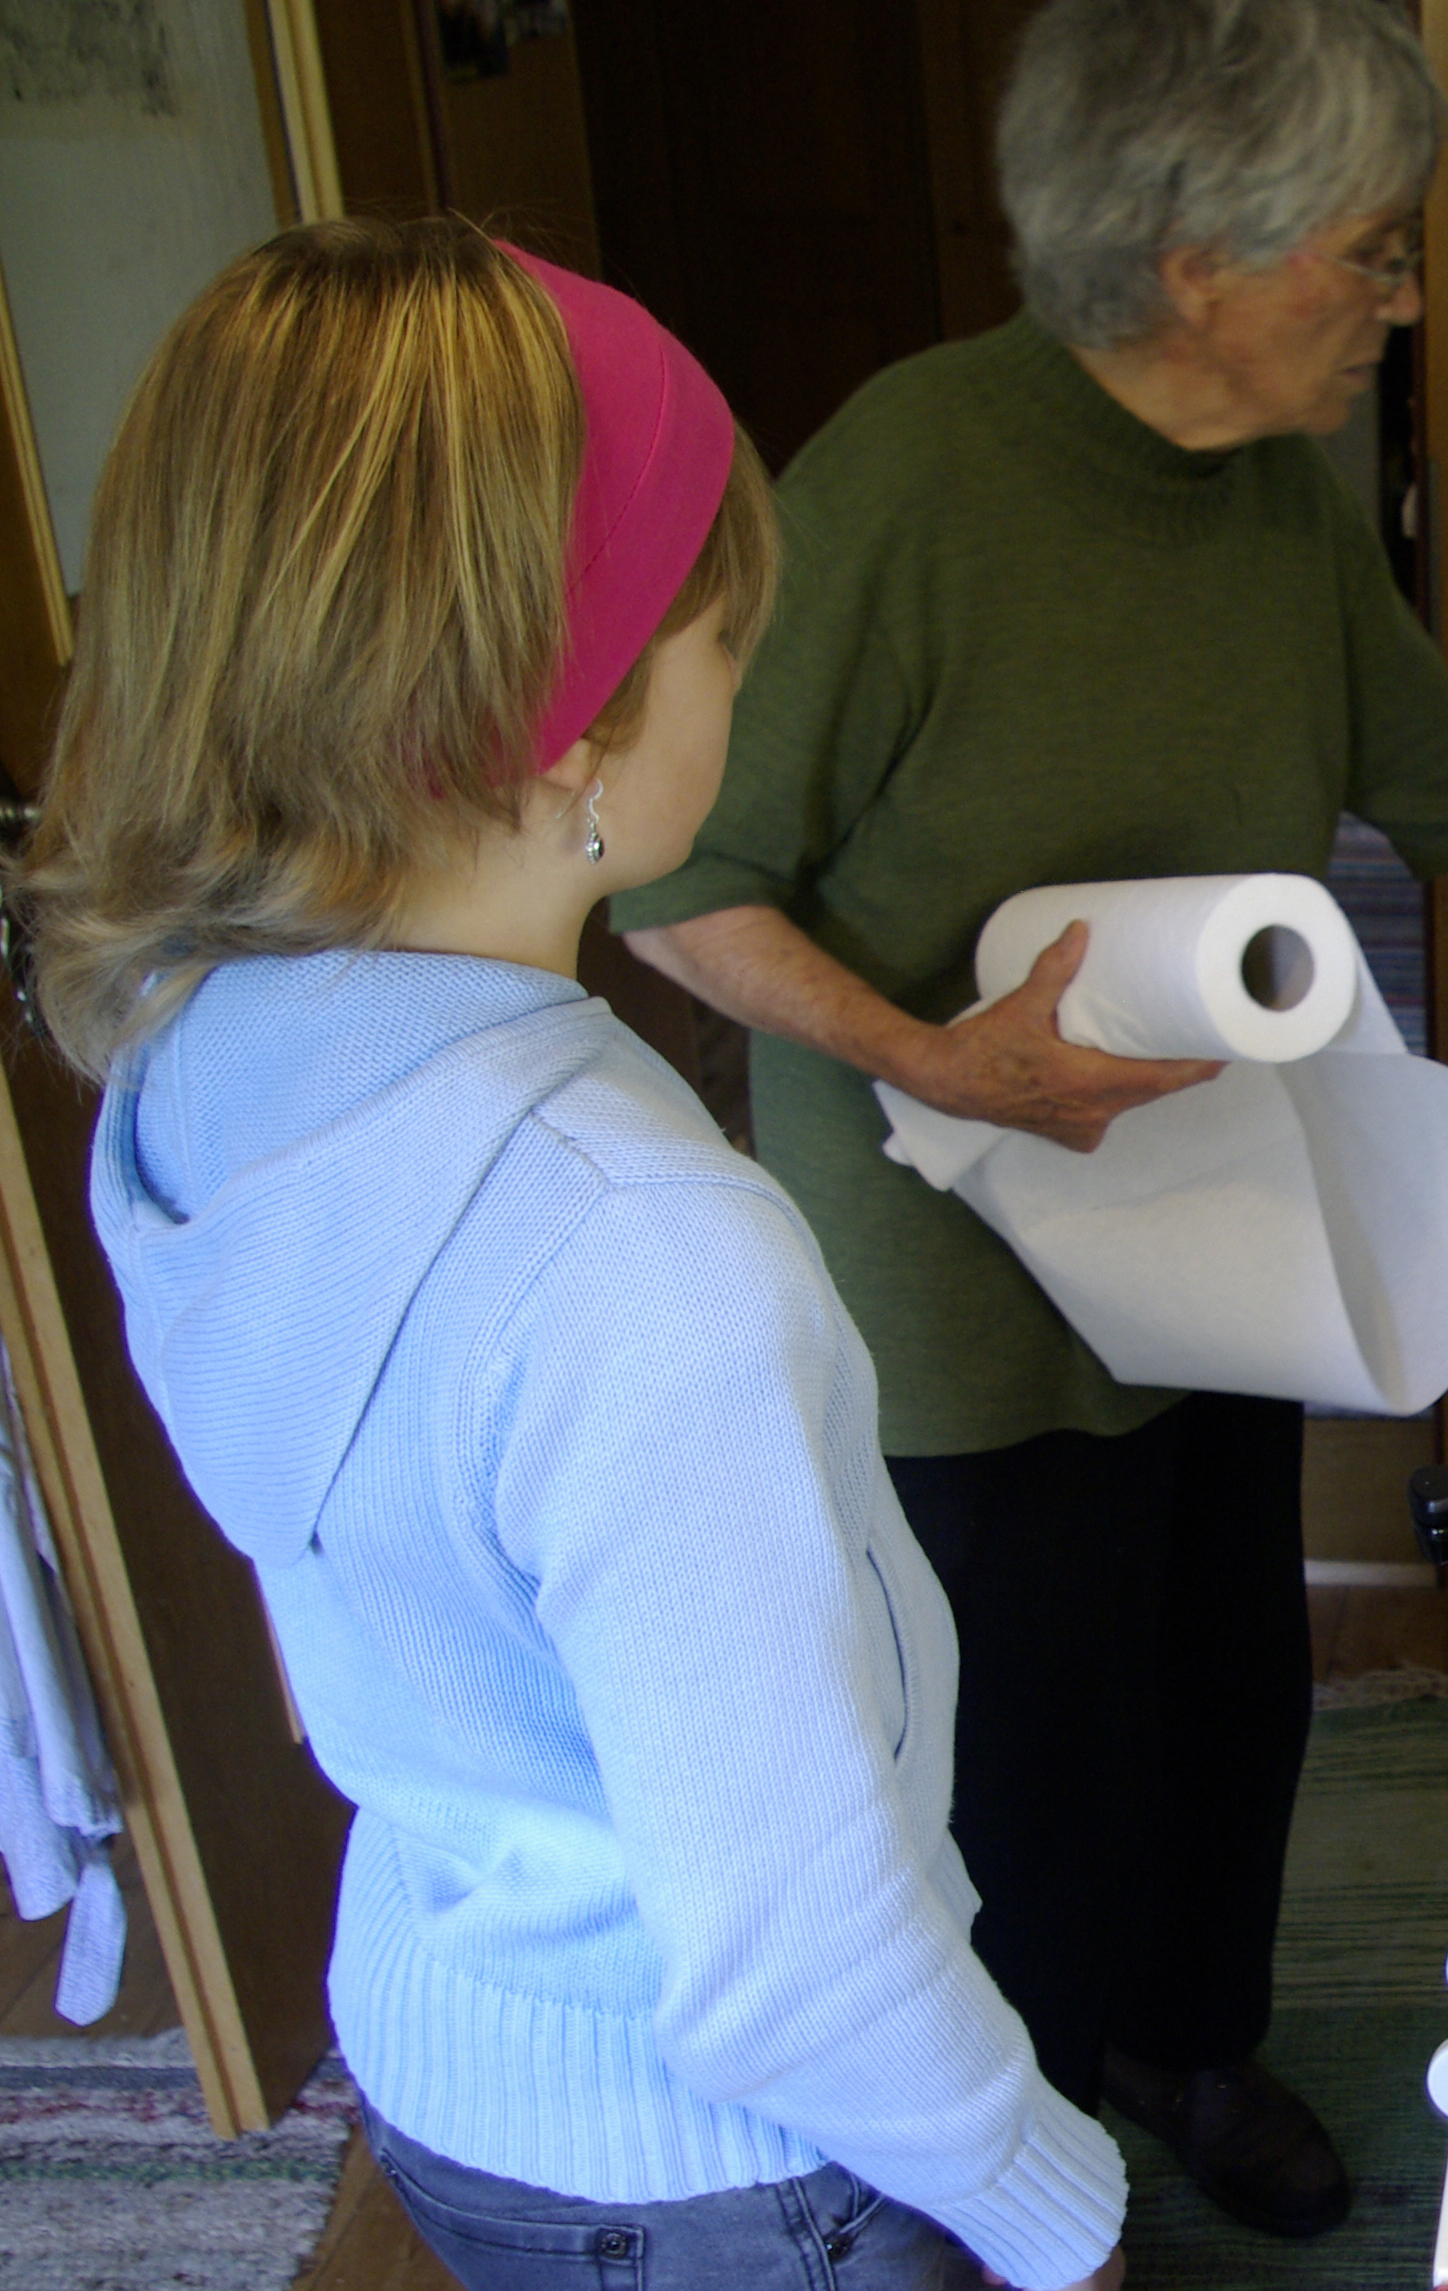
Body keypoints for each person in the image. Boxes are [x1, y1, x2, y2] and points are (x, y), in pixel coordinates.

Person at [613, 0, 1448, 2237]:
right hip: (956, 1264)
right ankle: (1018, 2176)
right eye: (1370, 250)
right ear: (1192, 255)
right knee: (1014, 1755)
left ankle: (1191, 2051)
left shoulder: (1273, 503)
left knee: (1226, 1695)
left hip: (1209, 1225)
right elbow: (679, 883)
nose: (1402, 298)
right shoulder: (901, 491)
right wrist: (937, 1059)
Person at [17, 219, 1126, 2291]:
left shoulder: (190, 1070)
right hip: (734, 2169)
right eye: (725, 641)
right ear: (570, 738)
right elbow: (798, 1963)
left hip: (447, 2067)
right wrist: (1054, 2209)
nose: (748, 677)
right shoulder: (643, 1259)